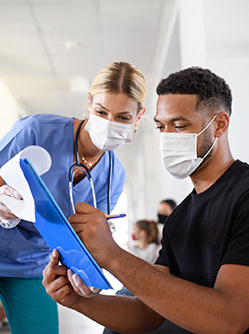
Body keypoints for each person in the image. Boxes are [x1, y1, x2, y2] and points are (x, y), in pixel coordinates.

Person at [42, 67, 249, 333]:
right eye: (161, 126)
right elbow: (147, 313)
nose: (168, 136)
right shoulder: (179, 219)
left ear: (219, 124)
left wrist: (113, 256)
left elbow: (231, 320)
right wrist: (79, 301)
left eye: (180, 125)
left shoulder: (243, 195)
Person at [0, 61, 146, 334]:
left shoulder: (114, 176)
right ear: (89, 103)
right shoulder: (36, 131)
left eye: (123, 117)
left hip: (31, 265)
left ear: (139, 117)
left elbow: (84, 239)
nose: (109, 123)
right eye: (101, 112)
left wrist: (87, 274)